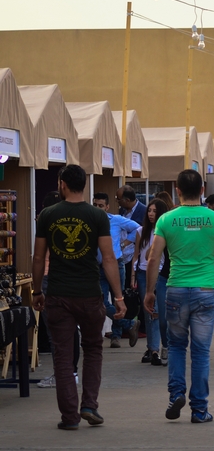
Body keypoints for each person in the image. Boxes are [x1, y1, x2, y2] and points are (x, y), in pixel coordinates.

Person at [143, 169, 214, 424]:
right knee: (201, 352)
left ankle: (176, 394)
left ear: (177, 191)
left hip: (176, 289)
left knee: (177, 346)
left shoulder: (166, 220)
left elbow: (153, 258)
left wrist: (148, 291)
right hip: (205, 290)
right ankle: (199, 409)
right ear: (202, 190)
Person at [31, 164, 125, 429]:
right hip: (90, 294)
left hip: (58, 294)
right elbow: (108, 258)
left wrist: (37, 291)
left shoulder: (47, 215)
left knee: (62, 354)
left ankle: (69, 416)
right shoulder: (97, 216)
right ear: (84, 185)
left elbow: (38, 257)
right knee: (93, 349)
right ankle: (89, 405)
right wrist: (118, 297)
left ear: (62, 184)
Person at [36, 191, 82, 389]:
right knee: (71, 329)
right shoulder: (69, 223)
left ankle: (61, 373)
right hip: (72, 280)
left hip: (50, 279)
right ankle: (71, 372)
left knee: (55, 331)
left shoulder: (46, 223)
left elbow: (38, 258)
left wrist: (36, 290)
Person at [92, 192, 140, 348]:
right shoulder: (90, 222)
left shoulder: (116, 220)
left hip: (116, 264)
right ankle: (129, 324)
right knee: (101, 302)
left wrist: (124, 243)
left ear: (107, 207)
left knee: (118, 299)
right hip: (98, 267)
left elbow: (138, 229)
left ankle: (116, 335)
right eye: (95, 205)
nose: (98, 208)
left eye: (101, 205)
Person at [132, 199, 169, 366]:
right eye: (149, 211)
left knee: (160, 313)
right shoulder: (141, 230)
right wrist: (133, 275)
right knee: (149, 311)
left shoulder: (165, 230)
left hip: (161, 274)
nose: (151, 214)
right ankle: (152, 349)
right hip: (142, 272)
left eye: (155, 211)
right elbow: (138, 254)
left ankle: (161, 347)